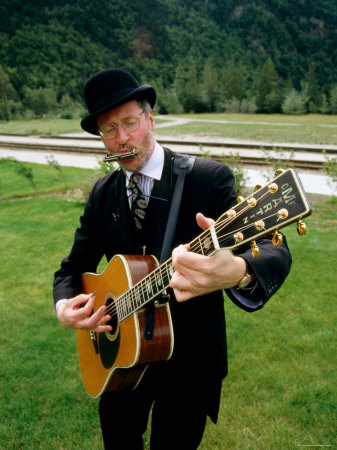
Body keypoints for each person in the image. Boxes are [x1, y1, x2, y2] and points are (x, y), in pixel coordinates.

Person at [53, 68, 292, 449]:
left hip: (189, 365)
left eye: (130, 122)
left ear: (150, 119)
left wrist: (238, 273)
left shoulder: (207, 179)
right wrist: (66, 307)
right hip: (121, 364)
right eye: (109, 131)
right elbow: (70, 268)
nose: (122, 138)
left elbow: (273, 250)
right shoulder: (103, 193)